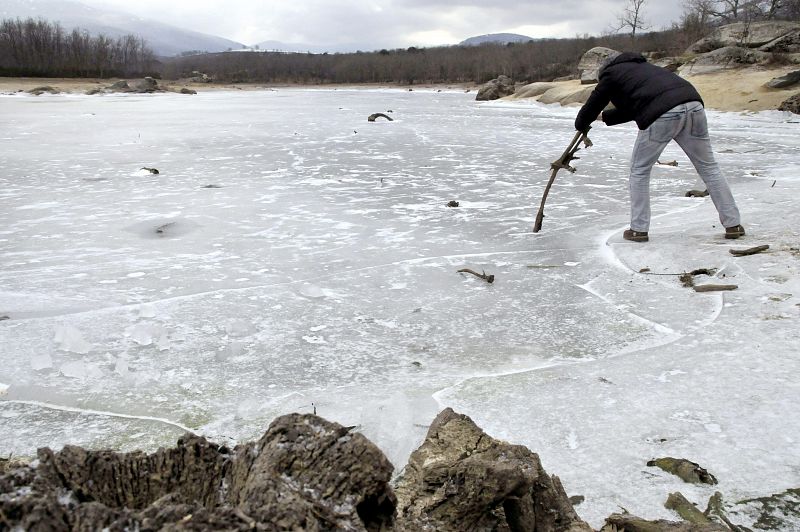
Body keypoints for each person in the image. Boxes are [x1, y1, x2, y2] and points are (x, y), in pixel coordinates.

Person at [574, 51, 745, 242]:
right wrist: (603, 118)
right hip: (693, 104)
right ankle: (733, 224)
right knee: (709, 167)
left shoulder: (611, 73)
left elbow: (595, 102)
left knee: (639, 170)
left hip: (664, 113)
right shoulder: (646, 70)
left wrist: (581, 124)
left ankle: (638, 229)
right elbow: (638, 107)